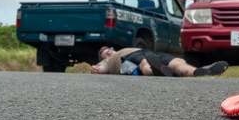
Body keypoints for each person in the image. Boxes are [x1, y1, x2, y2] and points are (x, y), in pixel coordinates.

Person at [91, 46, 228, 77]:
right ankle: (156, 70)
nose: (109, 53)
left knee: (178, 61)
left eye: (109, 50)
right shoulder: (110, 61)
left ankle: (197, 71)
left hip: (146, 52)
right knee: (145, 63)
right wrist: (100, 68)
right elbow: (102, 67)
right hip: (129, 59)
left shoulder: (123, 48)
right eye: (105, 54)